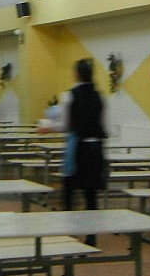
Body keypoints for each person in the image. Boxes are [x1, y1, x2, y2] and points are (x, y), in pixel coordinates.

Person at [39, 58, 108, 213]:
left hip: (78, 147)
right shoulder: (100, 96)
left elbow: (64, 125)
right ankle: (92, 228)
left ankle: (69, 219)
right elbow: (103, 125)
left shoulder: (69, 96)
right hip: (96, 148)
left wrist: (47, 128)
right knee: (91, 195)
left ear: (77, 74)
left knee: (69, 190)